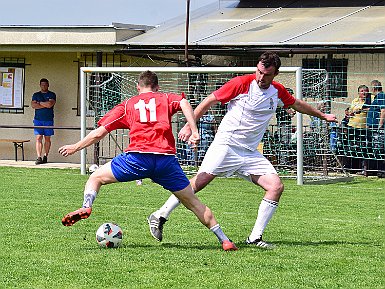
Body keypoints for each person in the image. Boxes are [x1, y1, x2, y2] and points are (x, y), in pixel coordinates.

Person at [147, 51, 337, 249]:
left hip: (249, 152)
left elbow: (296, 104)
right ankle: (160, 215)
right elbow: (209, 100)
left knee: (275, 187)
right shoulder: (242, 83)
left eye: (267, 74)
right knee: (199, 183)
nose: (261, 77)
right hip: (227, 144)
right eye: (259, 72)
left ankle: (255, 237)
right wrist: (189, 125)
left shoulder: (277, 91)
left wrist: (322, 115)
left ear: (276, 74)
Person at [58, 70, 237, 251]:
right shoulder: (166, 98)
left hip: (138, 159)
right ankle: (224, 240)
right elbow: (184, 102)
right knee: (193, 202)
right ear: (157, 87)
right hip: (165, 162)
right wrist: (194, 129)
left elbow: (99, 133)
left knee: (96, 178)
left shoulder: (128, 105)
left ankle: (86, 206)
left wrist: (75, 147)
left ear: (138, 87)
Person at [31, 78, 56, 164]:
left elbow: (50, 104)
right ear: (40, 85)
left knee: (47, 138)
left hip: (48, 119)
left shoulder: (52, 94)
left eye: (45, 84)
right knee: (38, 137)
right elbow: (33, 105)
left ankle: (45, 156)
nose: (44, 86)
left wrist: (40, 103)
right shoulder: (36, 94)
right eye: (42, 85)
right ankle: (39, 157)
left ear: (48, 85)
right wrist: (44, 104)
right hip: (38, 119)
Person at [346, 85, 371, 173]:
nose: (364, 93)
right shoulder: (355, 100)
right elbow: (350, 110)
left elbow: (369, 109)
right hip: (352, 126)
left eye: (365, 91)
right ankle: (352, 168)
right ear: (358, 92)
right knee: (352, 147)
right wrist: (351, 112)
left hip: (363, 128)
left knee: (363, 148)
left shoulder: (370, 100)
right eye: (362, 91)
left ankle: (364, 169)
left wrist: (359, 110)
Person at [366, 80, 385, 178]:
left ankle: (381, 171)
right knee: (375, 149)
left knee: (379, 149)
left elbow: (383, 110)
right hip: (373, 128)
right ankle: (376, 170)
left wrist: (380, 125)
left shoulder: (381, 96)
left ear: (374, 88)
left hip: (378, 128)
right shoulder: (376, 98)